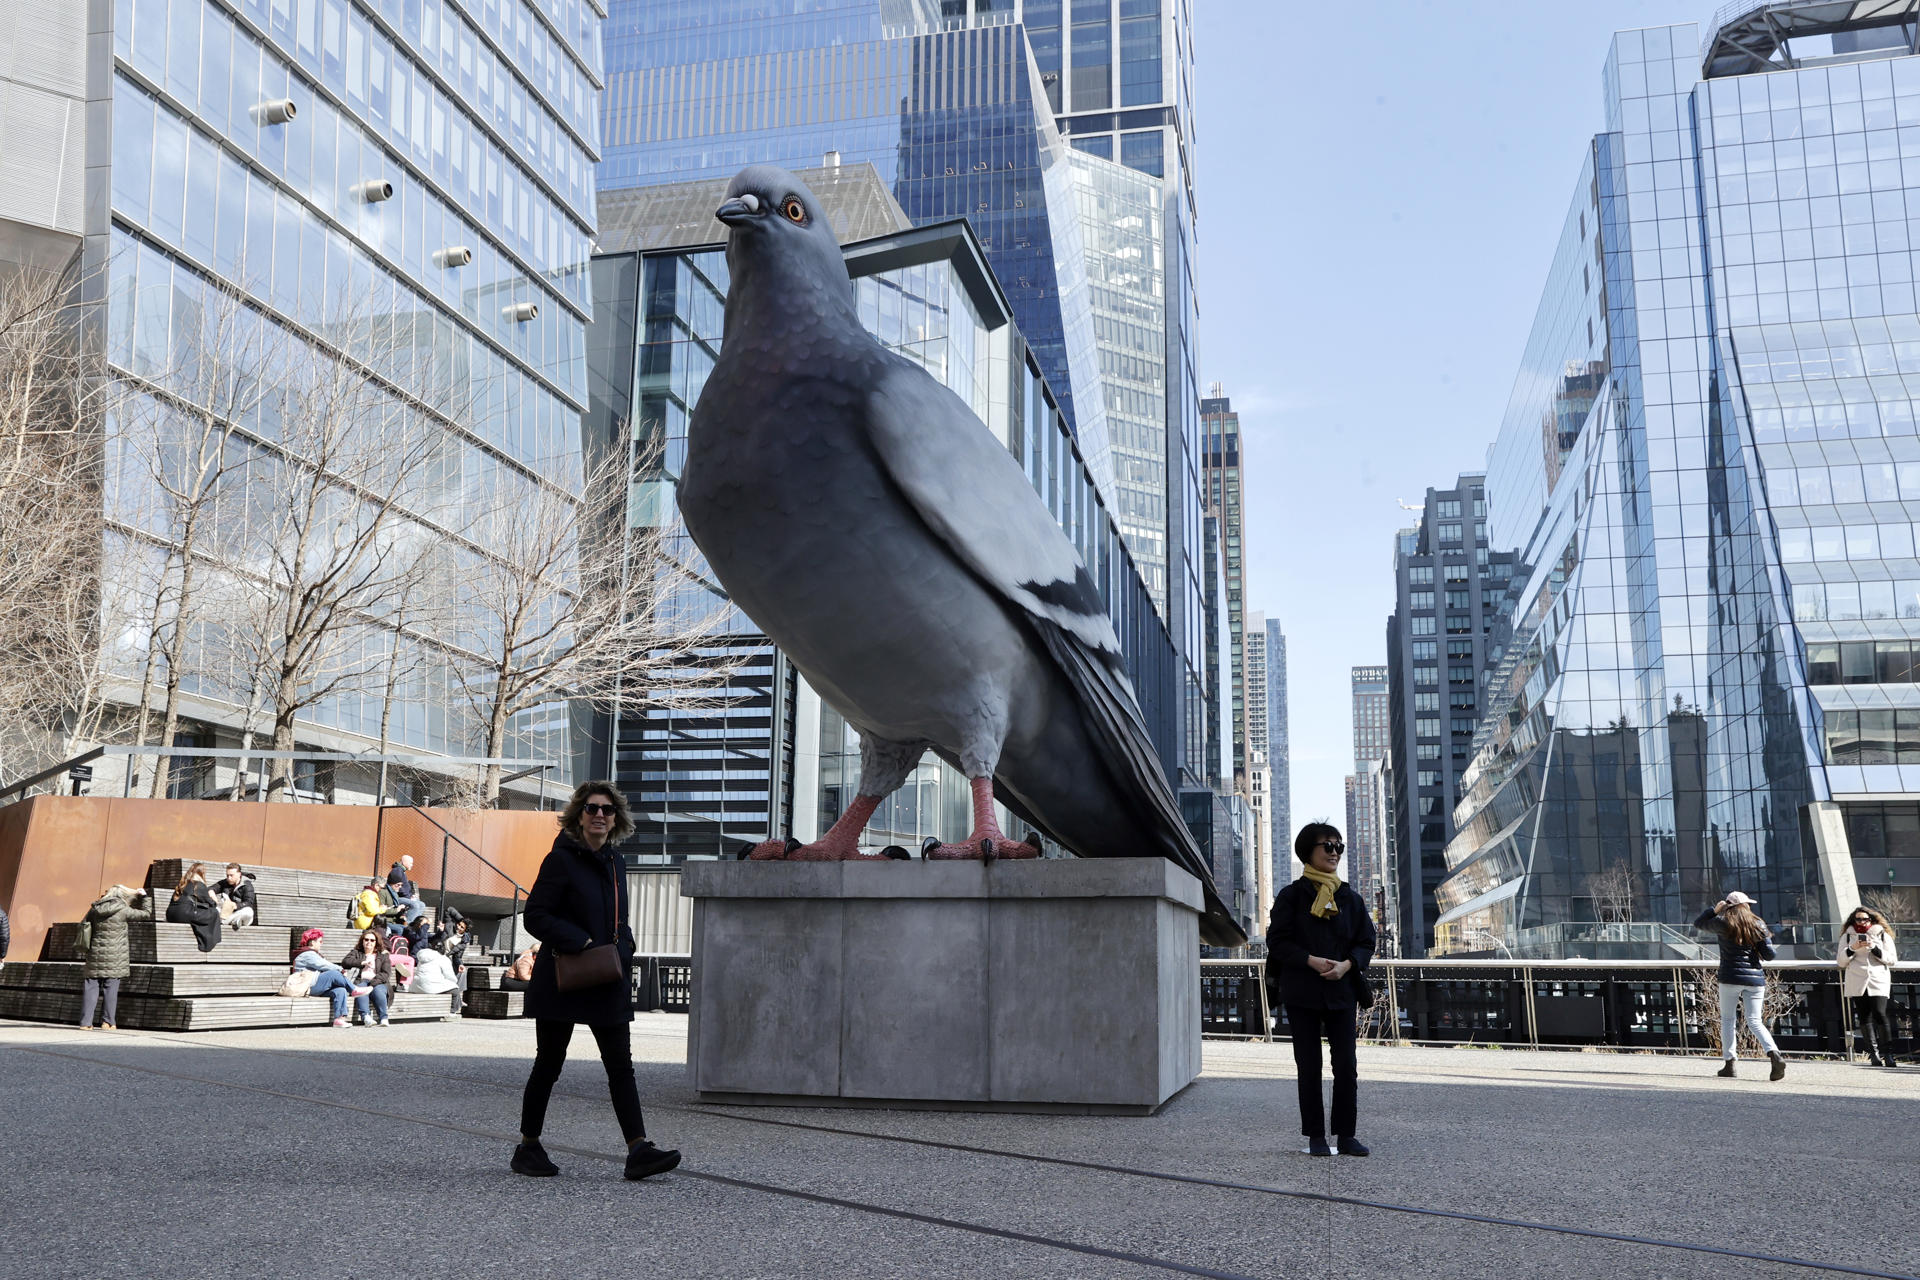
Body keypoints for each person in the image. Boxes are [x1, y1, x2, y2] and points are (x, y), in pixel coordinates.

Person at [513, 782, 679, 1182]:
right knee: (549, 1064)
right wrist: (582, 942)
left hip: (605, 977)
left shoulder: (615, 862)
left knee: (621, 1067)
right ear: (579, 815)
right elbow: (535, 915)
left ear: (616, 818)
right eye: (591, 809)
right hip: (563, 977)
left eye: (607, 810)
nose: (599, 815)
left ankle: (638, 1149)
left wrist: (625, 947)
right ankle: (528, 1146)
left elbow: (618, 919)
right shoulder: (560, 860)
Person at [1266, 822, 1376, 1158]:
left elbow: (1365, 941)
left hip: (1341, 992)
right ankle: (1315, 1135)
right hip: (1302, 992)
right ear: (1308, 852)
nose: (1334, 852)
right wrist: (1310, 960)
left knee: (1346, 1065)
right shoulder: (1291, 895)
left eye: (1338, 846)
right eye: (1327, 846)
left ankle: (1346, 1136)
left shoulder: (1349, 898)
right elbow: (1277, 942)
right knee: (1308, 1065)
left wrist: (1347, 964)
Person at [1695, 892, 1786, 1080]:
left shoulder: (1722, 923)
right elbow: (1769, 955)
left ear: (1728, 906)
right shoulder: (1758, 923)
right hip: (1754, 980)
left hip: (1729, 977)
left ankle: (1730, 1064)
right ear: (1746, 906)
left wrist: (1714, 910)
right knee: (1754, 1021)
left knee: (1728, 1021)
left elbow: (1699, 923)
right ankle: (1774, 1054)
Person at [80, 885, 152, 1029]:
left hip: (95, 953)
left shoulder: (94, 909)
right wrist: (144, 897)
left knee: (91, 987)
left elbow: (84, 925)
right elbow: (146, 914)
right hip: (115, 955)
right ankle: (108, 1022)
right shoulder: (122, 910)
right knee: (110, 989)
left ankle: (86, 1023)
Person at [1838, 905, 1900, 1066]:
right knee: (1864, 1016)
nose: (1862, 922)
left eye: (1865, 919)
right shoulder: (1847, 936)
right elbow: (1841, 961)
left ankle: (1889, 1054)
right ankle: (1874, 1055)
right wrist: (1853, 948)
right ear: (1853, 920)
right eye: (1858, 919)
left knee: (1880, 1014)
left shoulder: (1881, 934)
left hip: (1878, 979)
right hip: (1857, 979)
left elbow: (1892, 959)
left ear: (1871, 920)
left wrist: (1874, 948)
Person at [292, 928, 370, 1028]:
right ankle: (353, 989)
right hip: (307, 986)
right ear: (312, 942)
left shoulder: (311, 953)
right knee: (334, 973)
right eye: (320, 941)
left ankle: (339, 1019)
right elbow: (324, 965)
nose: (321, 943)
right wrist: (341, 970)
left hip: (315, 985)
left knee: (340, 990)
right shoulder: (307, 954)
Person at [339, 929, 394, 1027]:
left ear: (376, 943)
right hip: (361, 980)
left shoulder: (383, 956)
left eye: (372, 940)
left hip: (378, 981)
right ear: (362, 941)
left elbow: (386, 973)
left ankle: (384, 1018)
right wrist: (361, 963)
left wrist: (372, 984)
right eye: (366, 939)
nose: (369, 942)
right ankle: (366, 1017)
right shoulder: (356, 952)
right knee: (361, 989)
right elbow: (345, 962)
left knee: (378, 991)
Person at [164, 863, 223, 953]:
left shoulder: (183, 883)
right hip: (183, 914)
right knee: (214, 912)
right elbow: (211, 904)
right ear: (202, 874)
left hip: (170, 914)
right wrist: (214, 898)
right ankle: (209, 942)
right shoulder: (198, 884)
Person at [430, 913, 472, 1015]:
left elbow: (457, 957)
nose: (458, 927)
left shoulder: (463, 942)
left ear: (465, 930)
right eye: (459, 924)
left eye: (462, 927)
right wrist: (462, 919)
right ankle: (458, 999)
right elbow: (449, 910)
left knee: (463, 972)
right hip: (437, 955)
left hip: (448, 960)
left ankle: (458, 996)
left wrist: (460, 964)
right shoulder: (450, 927)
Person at [210, 863, 257, 931]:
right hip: (226, 914)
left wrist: (236, 905)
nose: (229, 878)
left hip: (240, 915)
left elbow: (249, 903)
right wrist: (211, 891)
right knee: (213, 908)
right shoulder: (226, 882)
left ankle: (225, 922)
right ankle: (234, 922)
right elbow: (212, 887)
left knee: (249, 912)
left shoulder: (247, 886)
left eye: (231, 875)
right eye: (227, 875)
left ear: (239, 874)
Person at [387, 855, 428, 925]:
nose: (412, 865)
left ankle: (415, 924)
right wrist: (409, 897)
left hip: (405, 897)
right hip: (396, 898)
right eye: (411, 863)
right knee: (415, 905)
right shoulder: (397, 871)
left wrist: (411, 896)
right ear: (403, 862)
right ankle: (407, 925)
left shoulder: (402, 871)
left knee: (422, 905)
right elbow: (398, 888)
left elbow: (405, 888)